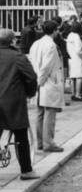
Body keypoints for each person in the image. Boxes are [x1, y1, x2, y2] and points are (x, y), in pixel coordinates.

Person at [0, 29, 40, 179]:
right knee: (21, 136)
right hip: (12, 102)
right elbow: (31, 77)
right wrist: (30, 93)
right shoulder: (17, 56)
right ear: (12, 41)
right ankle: (26, 170)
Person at [29, 20, 65, 152]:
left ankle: (40, 142)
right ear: (55, 30)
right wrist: (40, 81)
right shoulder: (50, 45)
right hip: (47, 81)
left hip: (39, 81)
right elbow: (46, 66)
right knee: (50, 114)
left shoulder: (36, 43)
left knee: (40, 113)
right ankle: (48, 142)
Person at [66, 22, 82, 101]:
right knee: (79, 77)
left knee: (73, 77)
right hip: (77, 58)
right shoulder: (77, 36)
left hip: (71, 57)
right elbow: (78, 50)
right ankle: (78, 94)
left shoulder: (70, 35)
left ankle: (73, 94)